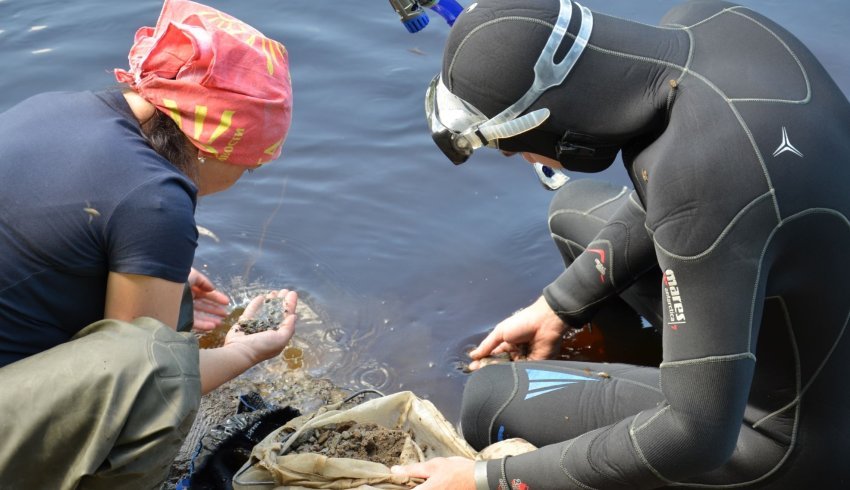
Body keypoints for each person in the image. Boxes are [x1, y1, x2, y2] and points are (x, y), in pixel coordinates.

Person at [392, 0, 850, 488]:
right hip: (805, 313)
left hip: (790, 441)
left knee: (488, 400)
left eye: (509, 144)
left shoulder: (703, 185)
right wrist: (558, 306)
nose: (514, 156)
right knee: (572, 213)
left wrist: (488, 479)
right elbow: (689, 193)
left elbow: (696, 435)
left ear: (550, 116)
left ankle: (669, 401)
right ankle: (656, 370)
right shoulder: (709, 22)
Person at [0, 0, 297, 487]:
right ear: (216, 142)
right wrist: (246, 351)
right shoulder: (155, 199)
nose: (246, 175)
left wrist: (165, 278)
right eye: (249, 164)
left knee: (162, 315)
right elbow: (144, 387)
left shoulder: (51, 107)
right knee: (152, 363)